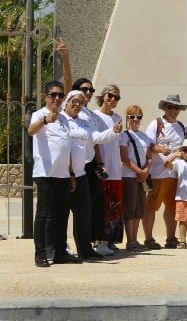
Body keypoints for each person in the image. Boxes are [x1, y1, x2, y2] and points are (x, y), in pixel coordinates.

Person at [27, 81, 78, 267]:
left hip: (63, 174)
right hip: (45, 173)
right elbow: (30, 131)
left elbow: (67, 147)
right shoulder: (39, 114)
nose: (57, 98)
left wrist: (71, 173)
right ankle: (40, 254)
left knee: (61, 215)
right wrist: (45, 120)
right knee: (44, 214)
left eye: (60, 95)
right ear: (45, 97)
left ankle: (59, 252)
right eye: (53, 95)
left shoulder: (64, 118)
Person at [63, 90, 119, 260]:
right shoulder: (60, 120)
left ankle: (84, 249)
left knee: (84, 213)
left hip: (81, 173)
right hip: (62, 173)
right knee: (61, 213)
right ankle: (59, 248)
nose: (77, 105)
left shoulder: (84, 123)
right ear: (67, 101)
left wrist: (113, 131)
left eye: (80, 102)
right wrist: (69, 171)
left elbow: (97, 138)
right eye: (74, 101)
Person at [144, 93, 187, 249]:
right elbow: (148, 145)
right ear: (164, 107)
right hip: (157, 174)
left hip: (175, 174)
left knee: (171, 207)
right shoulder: (155, 124)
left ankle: (171, 238)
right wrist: (160, 149)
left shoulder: (181, 127)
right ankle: (149, 239)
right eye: (170, 107)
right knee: (151, 206)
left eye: (176, 108)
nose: (173, 110)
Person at [94, 85, 125, 254]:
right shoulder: (95, 116)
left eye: (116, 97)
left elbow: (118, 143)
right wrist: (100, 163)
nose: (113, 100)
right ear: (103, 96)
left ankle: (111, 240)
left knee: (115, 204)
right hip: (103, 166)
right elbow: (96, 142)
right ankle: (99, 240)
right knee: (102, 204)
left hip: (115, 169)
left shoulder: (118, 118)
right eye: (110, 96)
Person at [119, 105, 155, 251]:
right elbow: (124, 158)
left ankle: (135, 238)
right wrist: (139, 172)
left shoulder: (144, 136)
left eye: (138, 117)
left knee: (139, 207)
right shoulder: (124, 135)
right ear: (127, 118)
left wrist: (146, 171)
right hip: (129, 176)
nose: (135, 119)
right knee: (130, 207)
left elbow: (149, 156)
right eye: (132, 116)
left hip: (142, 176)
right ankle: (130, 240)